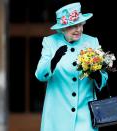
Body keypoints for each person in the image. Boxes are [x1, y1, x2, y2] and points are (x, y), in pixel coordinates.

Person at [35, 2, 108, 131]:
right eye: (73, 26)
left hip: (85, 115)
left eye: (80, 24)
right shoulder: (50, 42)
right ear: (62, 28)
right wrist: (53, 61)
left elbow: (103, 79)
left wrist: (96, 74)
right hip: (57, 116)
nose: (79, 29)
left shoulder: (92, 41)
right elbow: (40, 75)